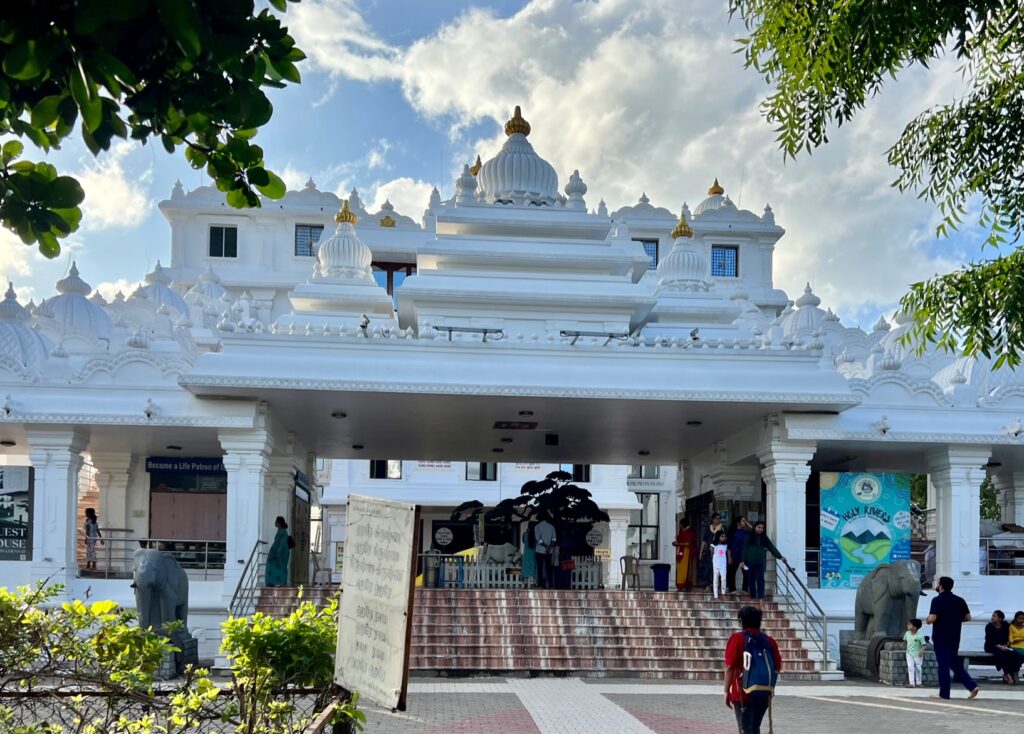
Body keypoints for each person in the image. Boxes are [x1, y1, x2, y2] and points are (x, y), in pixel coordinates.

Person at [724, 604, 782, 734]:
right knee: (755, 728)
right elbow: (777, 666)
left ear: (741, 621)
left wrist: (726, 691)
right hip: (764, 692)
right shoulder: (769, 641)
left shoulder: (737, 638)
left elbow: (730, 667)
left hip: (743, 692)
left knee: (746, 729)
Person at [926, 576, 979, 700]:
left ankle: (944, 693)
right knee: (954, 663)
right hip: (955, 636)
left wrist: (927, 620)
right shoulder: (960, 600)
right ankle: (972, 686)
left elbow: (932, 618)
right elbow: (968, 617)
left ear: (941, 586)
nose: (936, 585)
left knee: (943, 665)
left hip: (941, 637)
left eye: (937, 583)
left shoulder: (937, 600)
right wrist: (954, 619)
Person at [742, 521, 786, 601]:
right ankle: (753, 597)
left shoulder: (764, 538)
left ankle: (761, 597)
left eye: (762, 528)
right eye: (759, 527)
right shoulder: (748, 537)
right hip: (750, 562)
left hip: (760, 562)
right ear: (755, 527)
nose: (760, 529)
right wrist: (742, 561)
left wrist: (780, 557)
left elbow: (771, 547)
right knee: (751, 579)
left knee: (761, 579)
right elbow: (744, 549)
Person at [984, 610, 1023, 684]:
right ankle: (1007, 674)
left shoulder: (1006, 626)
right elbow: (989, 640)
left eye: (994, 616)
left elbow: (1008, 638)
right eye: (992, 616)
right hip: (991, 646)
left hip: (1004, 646)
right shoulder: (989, 626)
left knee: (1016, 654)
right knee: (1000, 654)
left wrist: (1006, 644)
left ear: (1000, 618)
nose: (992, 618)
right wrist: (999, 646)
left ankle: (1009, 673)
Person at [699, 513, 725, 588]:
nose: (718, 520)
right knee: (709, 567)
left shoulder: (721, 528)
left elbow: (724, 540)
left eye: (719, 518)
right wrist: (701, 552)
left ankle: (717, 585)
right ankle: (709, 585)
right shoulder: (708, 528)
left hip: (718, 551)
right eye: (716, 518)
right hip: (709, 551)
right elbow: (704, 540)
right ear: (712, 519)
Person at [728, 517, 752, 594]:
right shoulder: (732, 533)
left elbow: (755, 531)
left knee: (746, 573)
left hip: (744, 557)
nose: (745, 522)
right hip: (734, 556)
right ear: (738, 523)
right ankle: (732, 589)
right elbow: (729, 547)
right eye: (743, 521)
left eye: (745, 521)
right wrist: (729, 557)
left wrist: (747, 523)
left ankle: (745, 589)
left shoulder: (746, 532)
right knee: (731, 573)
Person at [265, 516, 291, 587]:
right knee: (272, 565)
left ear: (279, 523)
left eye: (276, 521)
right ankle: (273, 582)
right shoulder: (280, 531)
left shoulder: (283, 532)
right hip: (278, 553)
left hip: (281, 554)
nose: (275, 523)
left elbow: (282, 544)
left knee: (279, 567)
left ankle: (280, 582)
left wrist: (277, 554)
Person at [672, 518, 697, 590]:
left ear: (682, 524)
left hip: (686, 551)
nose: (679, 525)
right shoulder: (682, 531)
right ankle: (681, 584)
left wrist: (678, 544)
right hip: (680, 550)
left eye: (680, 524)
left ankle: (683, 585)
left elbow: (688, 543)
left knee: (684, 568)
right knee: (680, 568)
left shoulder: (689, 532)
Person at [534, 514, 556, 589]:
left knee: (539, 568)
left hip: (539, 550)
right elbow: (554, 539)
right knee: (549, 568)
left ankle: (540, 585)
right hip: (549, 551)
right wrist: (549, 547)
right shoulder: (552, 527)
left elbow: (538, 540)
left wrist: (545, 546)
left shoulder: (537, 527)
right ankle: (551, 585)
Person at [903, 618, 926, 688]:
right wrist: (902, 644)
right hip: (909, 653)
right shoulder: (907, 633)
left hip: (917, 654)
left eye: (910, 624)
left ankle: (919, 683)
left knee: (918, 668)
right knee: (910, 667)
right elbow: (905, 641)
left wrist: (921, 651)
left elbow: (924, 645)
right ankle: (911, 683)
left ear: (915, 627)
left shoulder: (920, 636)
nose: (908, 625)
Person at [710, 530, 729, 600]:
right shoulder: (713, 545)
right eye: (722, 536)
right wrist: (714, 562)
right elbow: (712, 554)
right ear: (718, 537)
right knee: (715, 579)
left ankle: (723, 594)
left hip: (723, 564)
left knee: (723, 579)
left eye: (724, 536)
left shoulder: (725, 545)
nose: (724, 538)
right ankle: (716, 596)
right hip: (716, 564)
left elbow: (726, 553)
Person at [521, 522, 538, 589]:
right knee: (534, 568)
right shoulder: (536, 535)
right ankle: (535, 583)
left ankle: (525, 583)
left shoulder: (525, 534)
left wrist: (526, 531)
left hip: (527, 554)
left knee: (526, 568)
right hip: (533, 554)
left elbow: (523, 541)